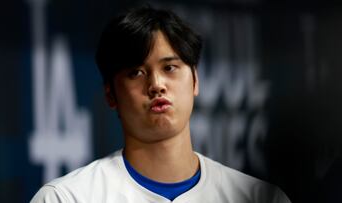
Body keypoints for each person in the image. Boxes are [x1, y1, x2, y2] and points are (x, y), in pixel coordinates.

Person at [31, 6, 291, 203]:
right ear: (110, 94)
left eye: (170, 67)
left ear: (195, 81)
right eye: (136, 73)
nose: (157, 84)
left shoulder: (258, 197)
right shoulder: (67, 198)